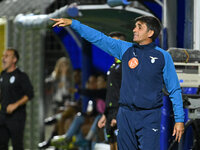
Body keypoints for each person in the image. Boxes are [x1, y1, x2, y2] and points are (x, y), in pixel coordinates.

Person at [50, 16, 185, 150]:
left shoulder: (163, 56)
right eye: (135, 26)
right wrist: (74, 24)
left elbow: (174, 89)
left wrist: (179, 120)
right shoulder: (125, 49)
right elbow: (99, 38)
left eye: (139, 27)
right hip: (125, 114)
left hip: (149, 116)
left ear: (150, 33)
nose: (134, 30)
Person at [0, 48, 34, 150]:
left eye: (6, 56)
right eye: (3, 56)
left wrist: (15, 105)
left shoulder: (21, 76)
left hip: (17, 117)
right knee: (1, 144)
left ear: (14, 59)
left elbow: (30, 94)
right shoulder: (3, 75)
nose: (3, 58)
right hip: (3, 115)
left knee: (17, 145)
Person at [98, 31, 125, 150]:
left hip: (119, 111)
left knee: (120, 144)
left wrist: (118, 114)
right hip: (110, 112)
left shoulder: (127, 66)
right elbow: (111, 92)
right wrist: (105, 114)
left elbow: (126, 91)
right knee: (112, 144)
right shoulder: (113, 67)